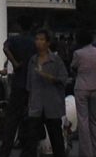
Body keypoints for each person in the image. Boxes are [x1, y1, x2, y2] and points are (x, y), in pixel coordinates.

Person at [24, 29, 68, 157]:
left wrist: (46, 75)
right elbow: (29, 85)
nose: (38, 42)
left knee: (56, 139)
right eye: (37, 39)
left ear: (48, 43)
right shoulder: (32, 60)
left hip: (52, 104)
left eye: (42, 39)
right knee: (31, 140)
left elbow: (63, 79)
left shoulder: (56, 60)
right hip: (35, 105)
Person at [0, 15, 36, 157]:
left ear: (19, 26)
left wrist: (14, 62)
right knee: (31, 119)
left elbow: (5, 47)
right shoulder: (34, 42)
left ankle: (5, 151)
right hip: (32, 85)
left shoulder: (14, 40)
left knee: (12, 120)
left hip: (18, 82)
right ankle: (28, 150)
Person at [70, 29, 96, 157]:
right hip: (95, 87)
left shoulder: (78, 53)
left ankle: (86, 152)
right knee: (94, 119)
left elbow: (73, 67)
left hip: (82, 87)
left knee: (83, 120)